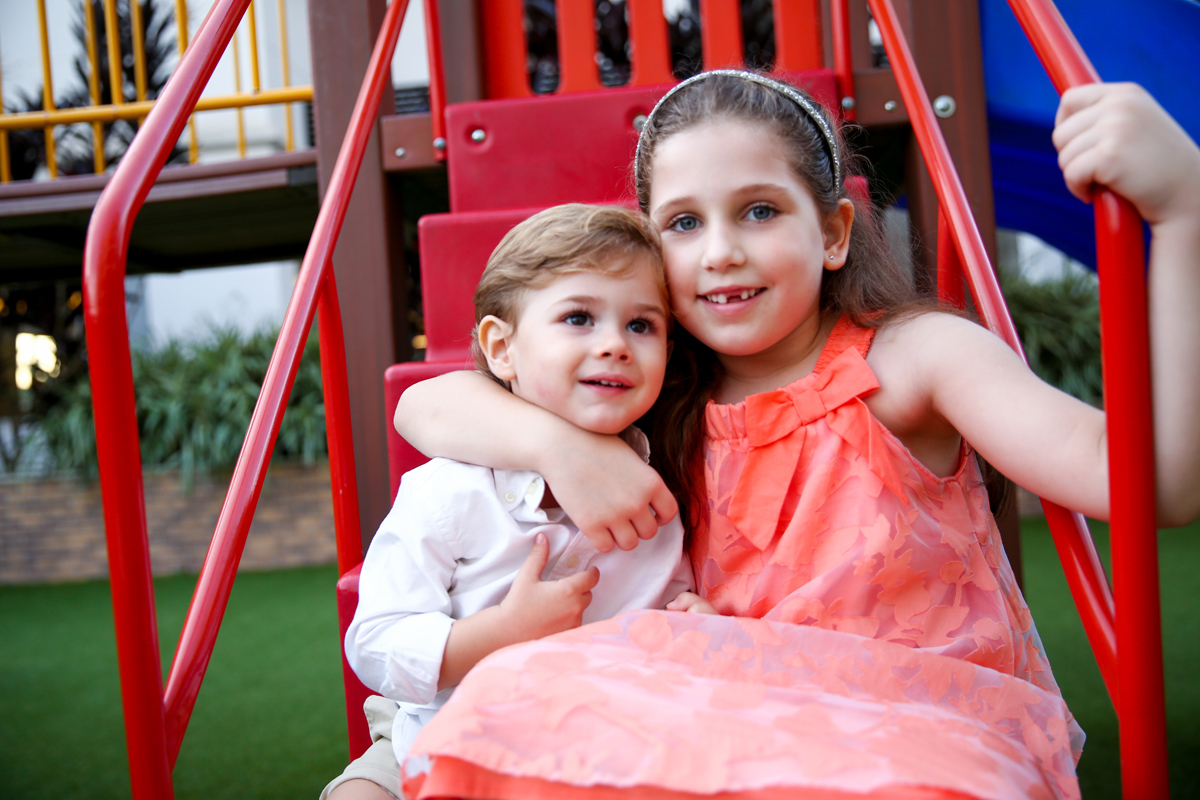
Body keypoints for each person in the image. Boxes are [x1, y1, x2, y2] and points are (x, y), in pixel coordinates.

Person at [391, 71, 1200, 800]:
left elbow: (1157, 482)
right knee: (524, 705)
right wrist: (558, 447)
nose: (720, 251)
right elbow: (422, 408)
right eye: (683, 223)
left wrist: (1185, 214)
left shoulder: (911, 359)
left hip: (917, 727)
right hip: (742, 728)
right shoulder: (657, 391)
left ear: (835, 232)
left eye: (760, 211)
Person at [322, 204, 709, 800]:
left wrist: (693, 623)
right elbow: (376, 642)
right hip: (438, 736)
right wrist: (504, 630)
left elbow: (668, 611)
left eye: (641, 325)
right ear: (502, 349)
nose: (615, 344)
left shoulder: (657, 499)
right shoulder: (449, 493)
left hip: (587, 756)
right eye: (579, 317)